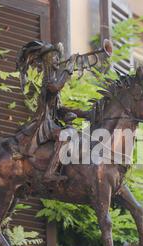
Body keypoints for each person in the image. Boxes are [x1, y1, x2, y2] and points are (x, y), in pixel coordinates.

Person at [15, 41, 89, 183]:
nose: (57, 60)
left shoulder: (53, 79)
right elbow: (56, 87)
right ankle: (49, 173)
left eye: (58, 57)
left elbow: (59, 109)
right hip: (44, 123)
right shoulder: (48, 81)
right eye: (54, 57)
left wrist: (84, 114)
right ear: (48, 60)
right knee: (66, 136)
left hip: (52, 121)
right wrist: (69, 68)